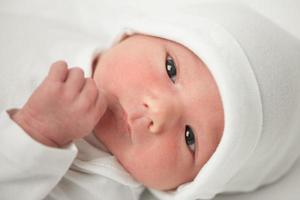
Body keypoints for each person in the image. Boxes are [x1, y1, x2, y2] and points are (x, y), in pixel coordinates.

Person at [1, 2, 300, 200]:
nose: (159, 112)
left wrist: (36, 133)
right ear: (138, 34)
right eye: (171, 69)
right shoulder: (74, 19)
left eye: (190, 138)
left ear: (184, 187)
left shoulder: (97, 189)